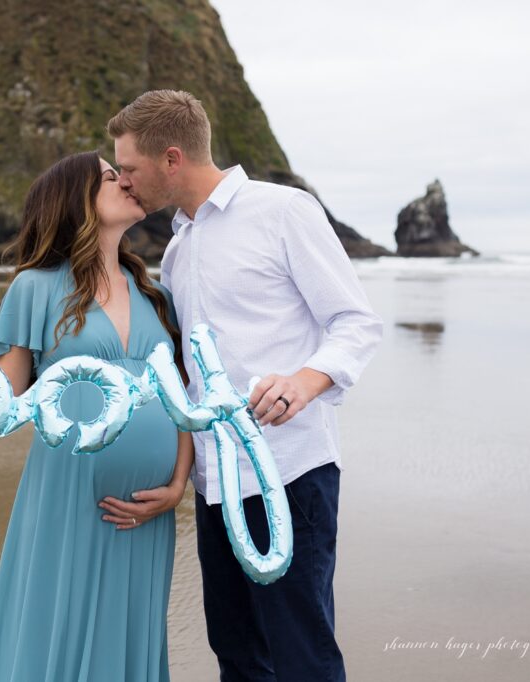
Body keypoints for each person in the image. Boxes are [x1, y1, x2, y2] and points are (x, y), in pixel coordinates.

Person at [101, 90, 384, 682]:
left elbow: (355, 321)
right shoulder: (177, 249)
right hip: (214, 485)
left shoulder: (284, 211)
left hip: (289, 471)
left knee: (301, 654)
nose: (124, 182)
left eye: (128, 169)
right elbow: (184, 374)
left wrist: (305, 381)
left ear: (171, 159)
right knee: (235, 652)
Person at [0, 151, 194, 682]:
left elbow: (182, 402)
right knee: (55, 626)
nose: (127, 181)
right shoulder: (35, 288)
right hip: (70, 496)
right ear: (77, 200)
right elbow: (4, 396)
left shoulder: (156, 295)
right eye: (112, 177)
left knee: (129, 634)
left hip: (147, 512)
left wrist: (178, 485)